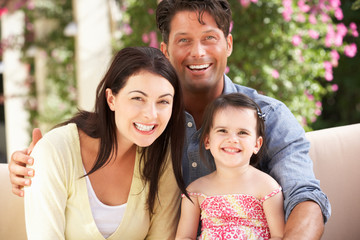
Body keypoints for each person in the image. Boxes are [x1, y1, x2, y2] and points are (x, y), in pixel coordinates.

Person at [9, 0, 330, 239]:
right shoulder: (151, 125)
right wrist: (40, 160)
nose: (198, 52)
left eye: (209, 38)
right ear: (164, 50)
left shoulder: (268, 116)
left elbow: (305, 197)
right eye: (184, 40)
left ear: (228, 44)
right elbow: (102, 132)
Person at [22, 46, 187, 239]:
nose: (151, 114)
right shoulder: (56, 150)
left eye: (163, 102)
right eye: (137, 98)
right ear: (111, 99)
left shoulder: (163, 159)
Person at [176, 93, 285, 240]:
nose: (232, 139)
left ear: (256, 144)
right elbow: (184, 237)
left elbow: (279, 236)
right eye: (222, 131)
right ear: (207, 141)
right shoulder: (196, 191)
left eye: (242, 132)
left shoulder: (267, 187)